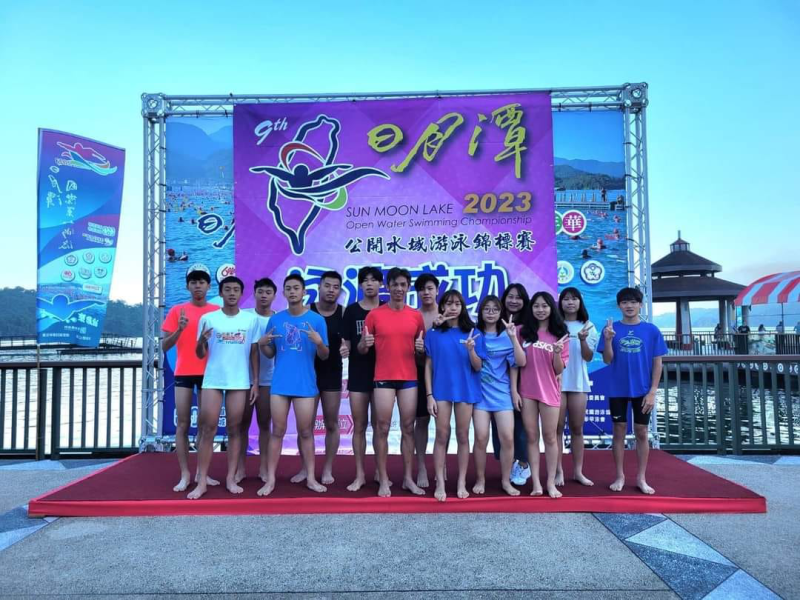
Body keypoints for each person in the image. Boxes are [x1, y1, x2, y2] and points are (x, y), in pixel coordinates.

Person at [257, 274, 329, 496]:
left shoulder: (317, 320)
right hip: (280, 384)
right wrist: (262, 345)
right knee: (277, 431)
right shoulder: (276, 320)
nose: (292, 292)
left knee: (306, 432)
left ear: (304, 291)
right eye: (288, 288)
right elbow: (270, 353)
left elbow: (325, 355)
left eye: (296, 288)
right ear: (284, 293)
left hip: (305, 384)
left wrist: (319, 343)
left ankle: (311, 478)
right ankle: (270, 480)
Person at [188, 276, 259, 500]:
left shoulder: (250, 320)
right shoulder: (209, 318)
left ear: (241, 294)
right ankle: (201, 481)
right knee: (208, 429)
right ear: (220, 293)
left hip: (239, 381)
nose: (231, 293)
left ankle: (231, 478)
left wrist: (255, 382)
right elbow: (200, 354)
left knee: (234, 429)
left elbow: (254, 353)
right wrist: (201, 341)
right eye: (227, 289)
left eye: (236, 290)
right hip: (213, 380)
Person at [361, 267, 426, 497]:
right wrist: (364, 344)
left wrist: (421, 349)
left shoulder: (415, 316)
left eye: (403, 285)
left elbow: (421, 354)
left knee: (408, 427)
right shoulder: (374, 315)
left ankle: (408, 478)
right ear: (387, 287)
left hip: (409, 378)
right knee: (382, 428)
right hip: (383, 377)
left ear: (408, 287)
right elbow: (362, 348)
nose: (399, 288)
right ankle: (383, 479)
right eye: (395, 284)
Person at [597, 287, 667, 495]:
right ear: (619, 305)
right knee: (618, 430)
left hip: (643, 389)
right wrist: (608, 339)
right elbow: (607, 360)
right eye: (625, 302)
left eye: (633, 302)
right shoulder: (611, 329)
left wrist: (653, 391)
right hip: (617, 388)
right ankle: (619, 476)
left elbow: (658, 362)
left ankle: (641, 478)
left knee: (642, 432)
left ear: (640, 305)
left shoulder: (651, 330)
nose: (629, 306)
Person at [161, 266, 220, 492]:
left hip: (209, 374)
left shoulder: (216, 312)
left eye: (202, 282)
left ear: (209, 286)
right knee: (183, 424)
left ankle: (201, 474)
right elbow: (165, 346)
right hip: (184, 372)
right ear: (187, 286)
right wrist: (179, 330)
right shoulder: (177, 311)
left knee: (206, 426)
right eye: (193, 282)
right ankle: (185, 474)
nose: (198, 286)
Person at [425, 290, 486, 502]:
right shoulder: (433, 333)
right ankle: (440, 482)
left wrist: (471, 350)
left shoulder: (474, 333)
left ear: (463, 307)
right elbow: (428, 366)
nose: (453, 308)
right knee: (441, 435)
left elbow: (478, 367)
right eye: (449, 304)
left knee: (462, 435)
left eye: (457, 304)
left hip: (465, 389)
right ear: (441, 306)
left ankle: (461, 482)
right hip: (441, 390)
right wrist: (429, 394)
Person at [291, 271, 347, 486]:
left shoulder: (344, 313)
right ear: (319, 287)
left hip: (332, 373)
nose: (331, 290)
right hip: (307, 374)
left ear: (340, 290)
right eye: (327, 285)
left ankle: (327, 469)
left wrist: (347, 348)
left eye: (335, 287)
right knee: (305, 426)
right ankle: (305, 468)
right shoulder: (307, 311)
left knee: (332, 423)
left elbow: (350, 342)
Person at [472, 295, 526, 497]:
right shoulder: (474, 334)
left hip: (502, 395)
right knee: (481, 438)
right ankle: (480, 479)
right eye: (487, 309)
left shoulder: (507, 335)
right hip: (480, 396)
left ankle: (505, 481)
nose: (491, 313)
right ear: (481, 312)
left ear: (501, 312)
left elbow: (518, 363)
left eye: (495, 309)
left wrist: (513, 337)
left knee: (507, 439)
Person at [517, 291, 569, 498]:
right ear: (531, 308)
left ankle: (550, 483)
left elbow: (558, 369)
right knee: (531, 437)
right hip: (527, 391)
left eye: (544, 306)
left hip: (550, 392)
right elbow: (518, 362)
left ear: (551, 308)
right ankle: (536, 483)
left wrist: (556, 353)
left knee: (550, 437)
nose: (540, 310)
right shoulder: (522, 331)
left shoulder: (561, 334)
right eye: (536, 306)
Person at [341, 266, 383, 492]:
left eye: (373, 280)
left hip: (383, 375)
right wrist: (345, 350)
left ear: (380, 284)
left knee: (380, 426)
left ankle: (380, 471)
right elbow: (346, 344)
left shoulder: (387, 309)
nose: (369, 284)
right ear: (359, 285)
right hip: (358, 374)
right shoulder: (351, 311)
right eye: (365, 280)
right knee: (359, 425)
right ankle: (359, 475)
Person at [236, 277, 277, 484]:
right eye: (260, 292)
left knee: (264, 424)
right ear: (254, 294)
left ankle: (263, 468)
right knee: (242, 424)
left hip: (268, 380)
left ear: (274, 295)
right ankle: (240, 468)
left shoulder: (278, 319)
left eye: (268, 292)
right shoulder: (245, 317)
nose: (264, 296)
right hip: (244, 380)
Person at [556, 287, 598, 487]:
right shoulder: (554, 325)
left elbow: (588, 357)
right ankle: (557, 471)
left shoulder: (588, 326)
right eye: (566, 299)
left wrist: (582, 340)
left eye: (574, 299)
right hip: (556, 382)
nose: (570, 302)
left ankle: (578, 472)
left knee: (576, 428)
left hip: (578, 382)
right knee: (556, 430)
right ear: (560, 302)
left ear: (580, 302)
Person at [493, 284, 532, 486]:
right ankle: (510, 465)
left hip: (524, 381)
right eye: (510, 296)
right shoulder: (496, 323)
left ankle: (524, 463)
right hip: (498, 384)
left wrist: (515, 389)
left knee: (521, 426)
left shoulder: (529, 326)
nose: (514, 301)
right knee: (502, 429)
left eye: (518, 297)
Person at [413, 272, 441, 488]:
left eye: (430, 288)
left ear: (437, 290)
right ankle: (421, 466)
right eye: (422, 289)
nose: (426, 292)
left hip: (445, 375)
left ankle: (442, 466)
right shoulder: (413, 316)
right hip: (420, 373)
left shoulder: (447, 314)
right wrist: (418, 350)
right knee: (421, 421)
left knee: (443, 424)